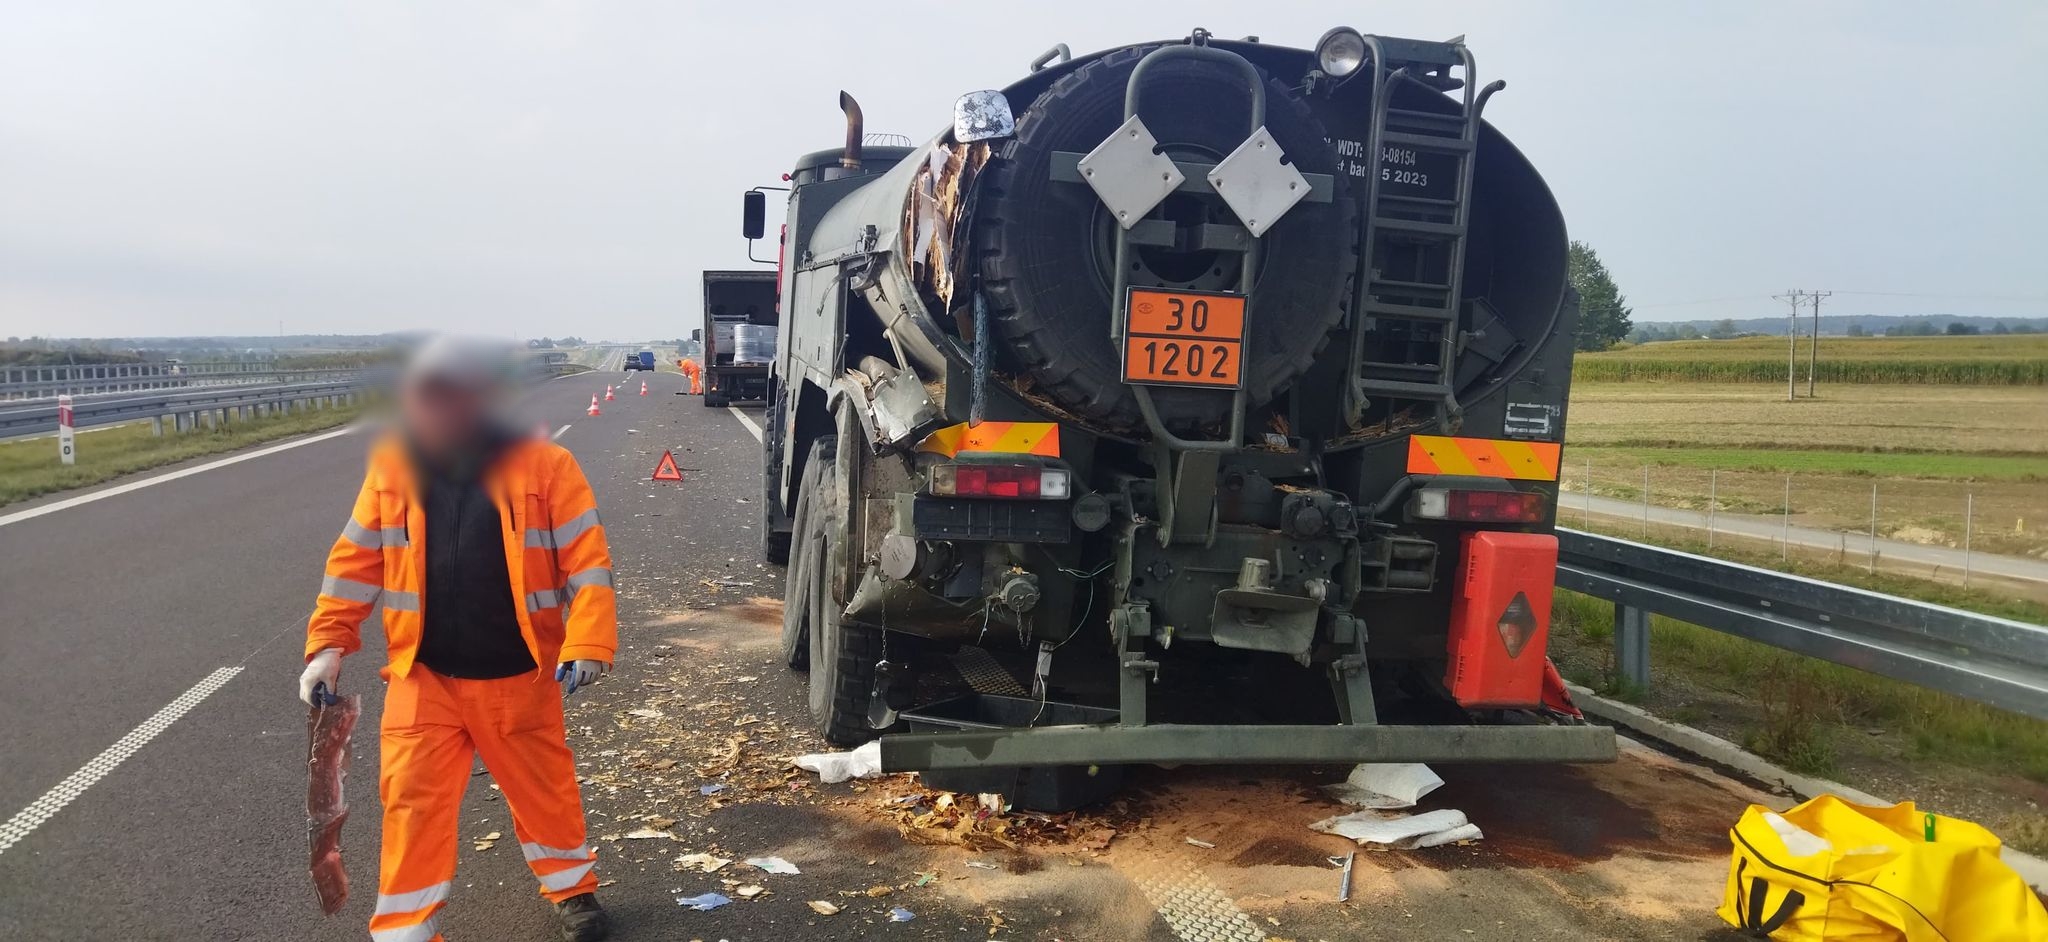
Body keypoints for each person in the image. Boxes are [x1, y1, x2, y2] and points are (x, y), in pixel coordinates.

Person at [298, 336, 617, 942]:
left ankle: (574, 892)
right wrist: (329, 644)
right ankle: (405, 929)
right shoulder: (394, 467)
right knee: (411, 807)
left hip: (517, 675)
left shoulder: (546, 467)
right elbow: (354, 563)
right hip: (425, 679)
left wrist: (588, 644)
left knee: (543, 794)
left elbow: (588, 564)